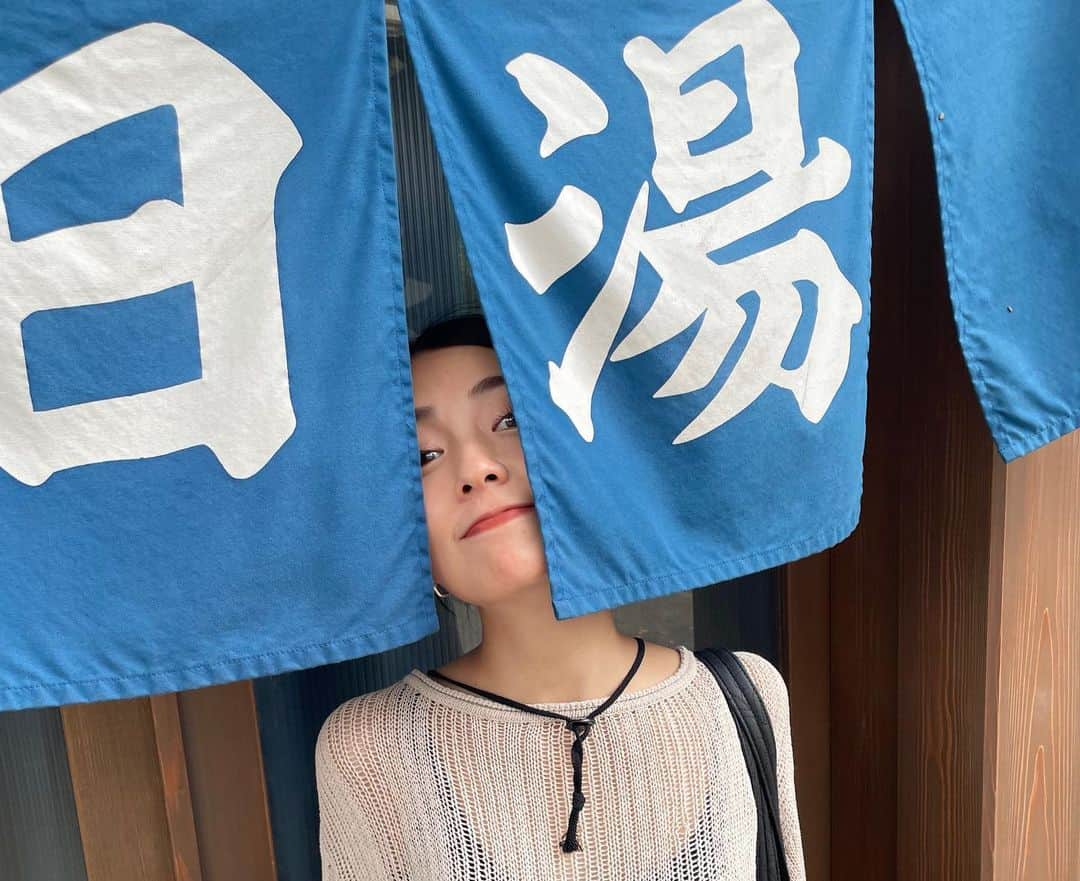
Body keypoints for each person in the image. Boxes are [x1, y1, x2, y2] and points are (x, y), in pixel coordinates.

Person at [315, 312, 807, 880]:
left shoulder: (743, 699)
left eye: (509, 419)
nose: (476, 468)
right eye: (425, 455)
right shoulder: (368, 750)